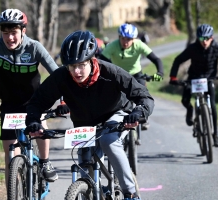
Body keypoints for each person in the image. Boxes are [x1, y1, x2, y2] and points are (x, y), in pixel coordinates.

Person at [25, 30, 155, 199]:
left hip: (115, 115)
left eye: (82, 65)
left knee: (108, 141)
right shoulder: (62, 77)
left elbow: (144, 96)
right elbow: (37, 102)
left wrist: (138, 113)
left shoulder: (111, 72)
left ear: (92, 61)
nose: (76, 71)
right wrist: (34, 121)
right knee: (86, 166)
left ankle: (131, 193)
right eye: (72, 66)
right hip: (84, 124)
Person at [0, 8, 62, 187]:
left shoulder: (34, 47)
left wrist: (63, 100)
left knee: (41, 125)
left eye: (14, 33)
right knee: (10, 157)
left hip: (35, 103)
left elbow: (59, 75)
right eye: (6, 33)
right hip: (9, 105)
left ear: (23, 31)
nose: (10, 38)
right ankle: (14, 191)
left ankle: (44, 162)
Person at [169, 24, 218, 147]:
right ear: (198, 38)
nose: (204, 42)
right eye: (201, 39)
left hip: (209, 79)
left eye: (207, 38)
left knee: (212, 106)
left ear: (212, 38)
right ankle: (190, 110)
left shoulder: (217, 47)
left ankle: (215, 134)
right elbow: (178, 60)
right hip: (193, 78)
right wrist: (173, 77)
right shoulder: (193, 48)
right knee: (185, 100)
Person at [99, 23, 164, 131]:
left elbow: (156, 59)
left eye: (129, 39)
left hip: (136, 74)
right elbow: (101, 61)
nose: (125, 42)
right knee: (117, 99)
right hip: (118, 76)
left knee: (142, 93)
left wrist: (160, 73)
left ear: (134, 39)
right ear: (119, 37)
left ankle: (143, 116)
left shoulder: (139, 44)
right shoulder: (113, 46)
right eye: (123, 39)